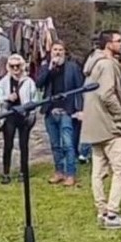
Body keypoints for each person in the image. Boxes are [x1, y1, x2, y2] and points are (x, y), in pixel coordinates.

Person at [80, 30, 121, 229]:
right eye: (118, 41)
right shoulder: (107, 64)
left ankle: (101, 211)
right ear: (108, 44)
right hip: (109, 126)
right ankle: (111, 214)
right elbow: (107, 95)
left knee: (98, 171)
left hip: (94, 126)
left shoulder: (93, 63)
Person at [37, 41, 84, 187]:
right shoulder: (46, 67)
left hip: (67, 111)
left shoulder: (72, 67)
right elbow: (38, 84)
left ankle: (70, 174)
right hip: (51, 111)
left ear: (65, 52)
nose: (57, 52)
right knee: (55, 144)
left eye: (60, 50)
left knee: (68, 144)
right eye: (55, 50)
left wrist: (80, 110)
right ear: (51, 52)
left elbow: (80, 89)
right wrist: (49, 69)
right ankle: (59, 172)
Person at [0, 54, 36, 184]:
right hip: (9, 115)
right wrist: (7, 97)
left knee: (24, 145)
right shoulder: (4, 81)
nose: (15, 69)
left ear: (22, 66)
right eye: (12, 66)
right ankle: (6, 173)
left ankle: (23, 172)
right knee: (8, 144)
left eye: (17, 66)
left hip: (23, 115)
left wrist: (31, 112)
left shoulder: (29, 82)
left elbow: (34, 99)